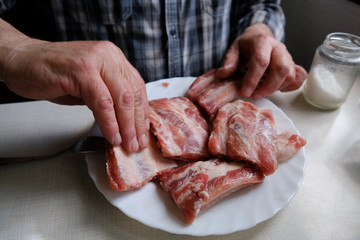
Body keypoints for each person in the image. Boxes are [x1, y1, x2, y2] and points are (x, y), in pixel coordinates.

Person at [0, 0, 307, 153]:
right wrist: (17, 49)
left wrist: (259, 29)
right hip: (91, 131)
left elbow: (261, 3)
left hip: (225, 106)